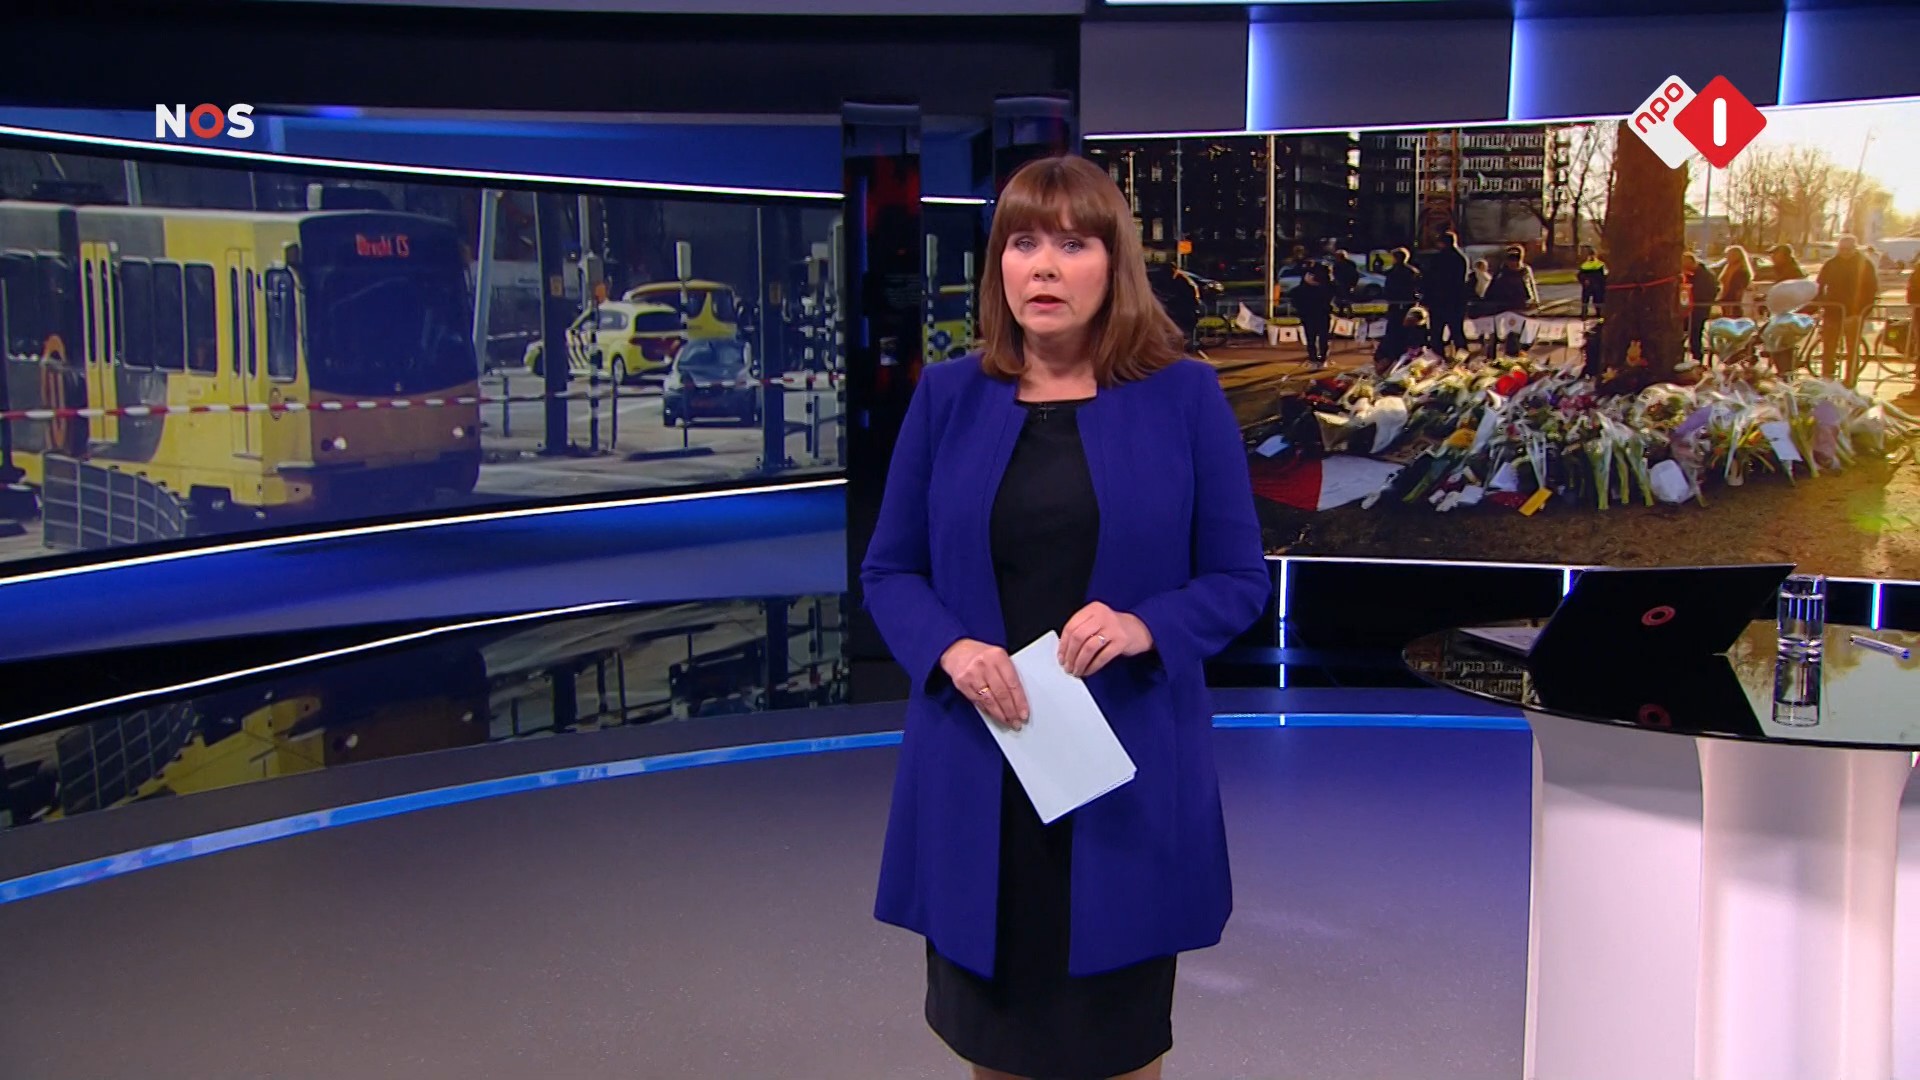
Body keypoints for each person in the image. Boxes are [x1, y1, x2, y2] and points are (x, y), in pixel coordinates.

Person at [862, 154, 1272, 1080]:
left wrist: (1144, 627)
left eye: (1074, 244)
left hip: (1118, 775)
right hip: (982, 768)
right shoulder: (947, 397)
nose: (1044, 266)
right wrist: (949, 649)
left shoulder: (1184, 396)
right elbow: (890, 570)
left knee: (1114, 1047)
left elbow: (1238, 578)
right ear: (998, 266)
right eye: (1023, 243)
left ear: (1114, 264)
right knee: (996, 1049)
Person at [1815, 234, 1880, 382]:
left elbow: (1872, 288)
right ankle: (1827, 378)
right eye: (1841, 249)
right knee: (1829, 347)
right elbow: (1819, 284)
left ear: (1854, 248)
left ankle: (1850, 379)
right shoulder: (1831, 264)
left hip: (1854, 312)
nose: (1844, 252)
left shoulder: (1864, 264)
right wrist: (1822, 303)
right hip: (1832, 311)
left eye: (1848, 249)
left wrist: (1864, 311)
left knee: (1852, 348)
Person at [1482, 245, 1537, 359]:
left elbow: (1531, 285)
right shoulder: (1501, 272)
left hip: (1520, 306)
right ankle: (1500, 356)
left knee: (1522, 334)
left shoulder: (1525, 271)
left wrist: (1534, 300)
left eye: (1516, 261)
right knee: (1503, 333)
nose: (1513, 264)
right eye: (1511, 261)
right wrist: (1487, 301)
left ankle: (1515, 354)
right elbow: (1492, 287)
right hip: (1503, 306)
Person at [1424, 231, 1472, 357]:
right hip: (1456, 301)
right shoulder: (1461, 258)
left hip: (1438, 300)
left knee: (1436, 332)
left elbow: (1430, 279)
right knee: (1457, 332)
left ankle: (1437, 357)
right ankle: (1463, 357)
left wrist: (1426, 297)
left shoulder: (1438, 258)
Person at [1375, 246, 1422, 362]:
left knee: (1394, 327)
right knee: (1408, 328)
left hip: (1396, 302)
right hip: (1408, 302)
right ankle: (1406, 350)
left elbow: (1388, 285)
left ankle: (1393, 351)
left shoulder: (1393, 271)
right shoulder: (1412, 271)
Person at [1292, 261, 1335, 368]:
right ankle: (1320, 358)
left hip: (1311, 314)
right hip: (1319, 313)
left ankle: (1315, 358)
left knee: (1313, 338)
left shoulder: (1307, 283)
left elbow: (1295, 298)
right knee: (1321, 337)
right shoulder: (1326, 284)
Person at [1681, 251, 1720, 368]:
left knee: (1695, 336)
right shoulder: (1692, 274)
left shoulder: (1705, 275)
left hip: (1698, 310)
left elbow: (1708, 291)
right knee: (1685, 335)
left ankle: (1697, 361)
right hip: (1690, 310)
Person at [1718, 245, 1753, 321]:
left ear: (1736, 256)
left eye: (1730, 255)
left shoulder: (1742, 271)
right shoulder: (1728, 267)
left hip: (1733, 302)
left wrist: (1729, 301)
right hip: (1725, 300)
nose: (1727, 257)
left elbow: (1737, 289)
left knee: (1733, 321)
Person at [1576, 244, 1608, 318]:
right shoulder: (1601, 264)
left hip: (1589, 285)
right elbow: (1605, 275)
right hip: (1597, 286)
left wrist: (1584, 281)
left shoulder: (1585, 265)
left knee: (1585, 300)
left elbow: (1580, 275)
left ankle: (1584, 315)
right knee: (1598, 301)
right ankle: (1599, 316)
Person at [1331, 248, 1361, 317]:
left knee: (1346, 298)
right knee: (1341, 298)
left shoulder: (1349, 264)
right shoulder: (1337, 264)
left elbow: (1355, 274)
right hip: (1341, 283)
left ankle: (1349, 312)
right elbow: (1335, 274)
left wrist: (1353, 284)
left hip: (1346, 283)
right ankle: (1342, 311)